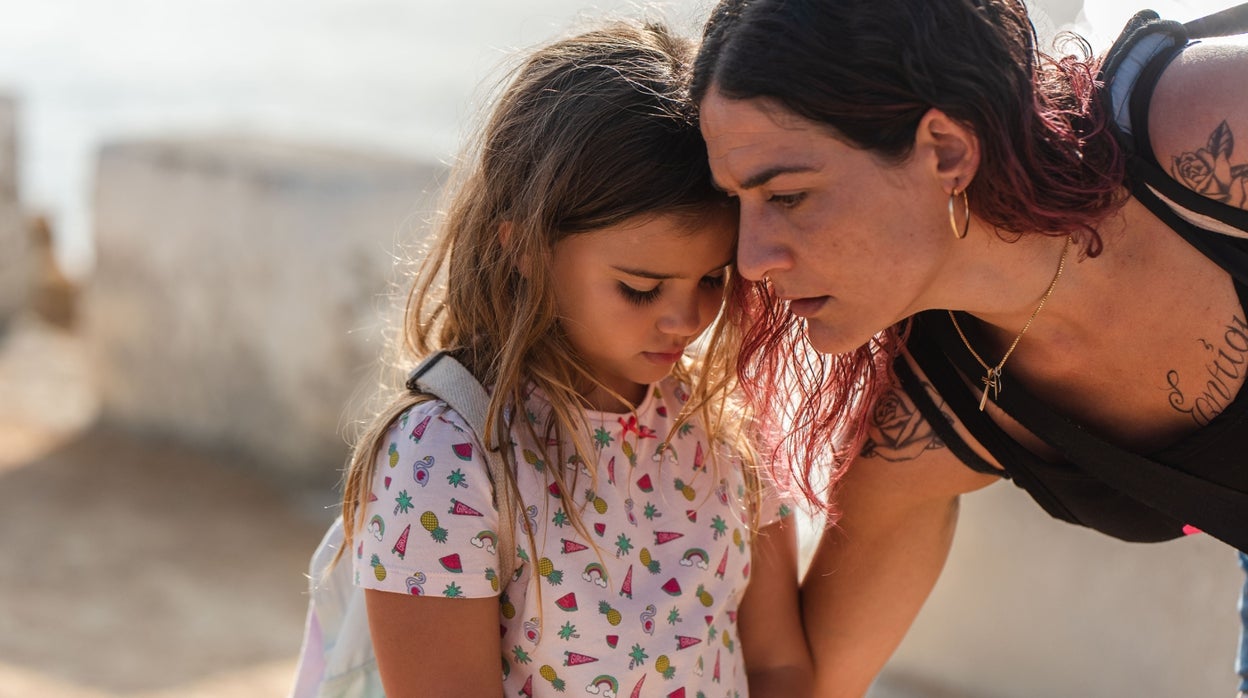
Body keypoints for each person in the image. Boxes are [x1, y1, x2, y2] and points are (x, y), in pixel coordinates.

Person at [688, 0, 1248, 695]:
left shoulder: (1210, 129)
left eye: (790, 195)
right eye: (736, 202)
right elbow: (803, 684)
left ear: (946, 151)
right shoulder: (935, 413)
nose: (750, 259)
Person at [333, 20, 810, 698]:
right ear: (524, 247)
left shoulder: (730, 431)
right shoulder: (448, 461)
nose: (686, 320)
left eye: (712, 278)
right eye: (640, 288)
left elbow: (777, 662)